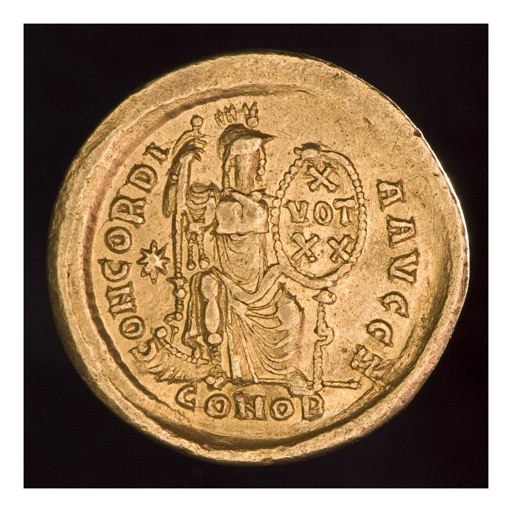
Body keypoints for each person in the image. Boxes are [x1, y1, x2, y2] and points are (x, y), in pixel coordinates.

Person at [182, 124, 309, 393]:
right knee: (217, 296)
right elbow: (253, 217)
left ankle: (288, 372)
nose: (259, 167)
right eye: (251, 159)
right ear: (233, 164)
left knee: (291, 313)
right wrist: (247, 198)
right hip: (234, 286)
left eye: (257, 159)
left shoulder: (254, 201)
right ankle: (223, 368)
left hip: (262, 286)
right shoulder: (227, 205)